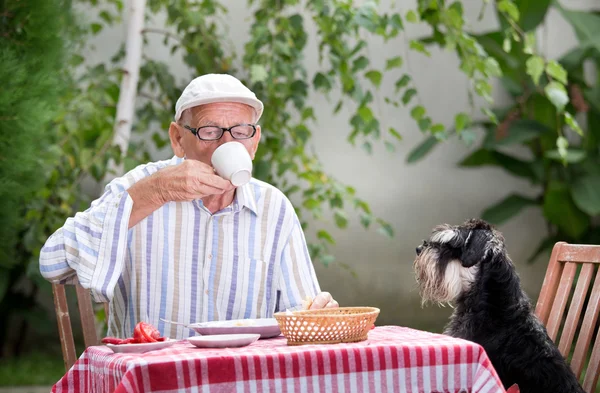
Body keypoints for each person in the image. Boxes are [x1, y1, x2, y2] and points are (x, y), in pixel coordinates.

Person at [39, 74, 338, 339]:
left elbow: (302, 315)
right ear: (178, 139)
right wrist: (154, 193)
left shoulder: (273, 207)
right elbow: (53, 263)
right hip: (152, 382)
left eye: (241, 131)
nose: (226, 144)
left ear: (255, 141)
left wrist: (317, 313)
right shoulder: (142, 186)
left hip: (240, 379)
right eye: (209, 131)